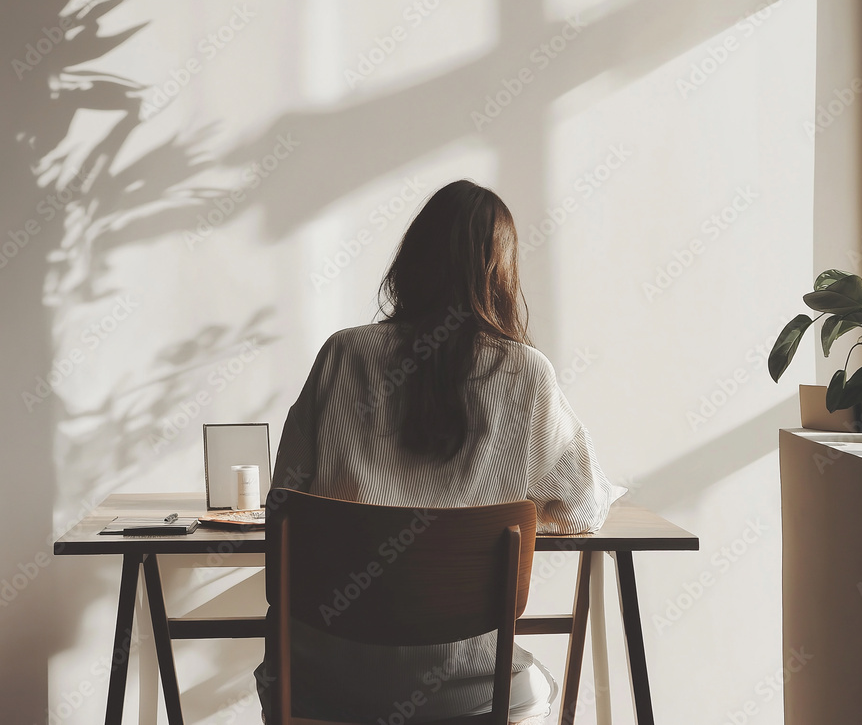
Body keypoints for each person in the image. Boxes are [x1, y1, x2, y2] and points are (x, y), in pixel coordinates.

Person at [257, 179, 620, 724]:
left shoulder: (343, 354)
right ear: (500, 271)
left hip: (321, 683)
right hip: (467, 688)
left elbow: (288, 497)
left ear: (410, 261)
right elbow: (580, 511)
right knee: (538, 687)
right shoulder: (525, 373)